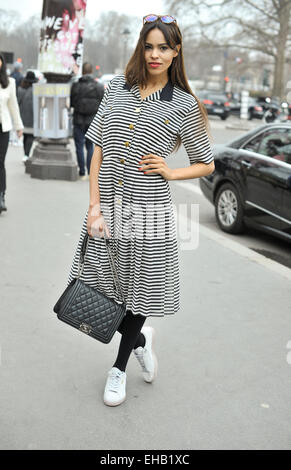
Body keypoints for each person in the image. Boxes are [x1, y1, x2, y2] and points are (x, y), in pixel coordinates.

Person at [66, 14, 215, 406]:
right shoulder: (118, 87)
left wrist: (171, 169)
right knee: (101, 289)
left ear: (175, 51)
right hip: (108, 208)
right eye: (149, 46)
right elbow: (97, 150)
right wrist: (94, 207)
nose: (155, 54)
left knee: (141, 296)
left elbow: (207, 163)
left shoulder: (183, 104)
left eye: (163, 47)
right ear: (141, 48)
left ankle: (118, 370)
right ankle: (140, 340)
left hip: (149, 212)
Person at [70, 62, 104, 180]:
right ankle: (90, 172)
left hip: (78, 119)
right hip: (92, 121)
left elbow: (72, 103)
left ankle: (82, 171)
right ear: (91, 71)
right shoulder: (98, 86)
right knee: (90, 146)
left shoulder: (76, 86)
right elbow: (102, 104)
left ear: (82, 71)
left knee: (79, 146)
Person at [0, 52, 23, 213]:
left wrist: (18, 126)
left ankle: (1, 196)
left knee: (0, 163)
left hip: (3, 128)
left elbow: (13, 106)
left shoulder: (10, 83)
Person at [17, 71, 38, 163]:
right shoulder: (36, 90)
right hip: (32, 116)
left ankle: (25, 154)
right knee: (30, 136)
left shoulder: (20, 89)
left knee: (25, 136)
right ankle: (26, 154)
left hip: (22, 115)